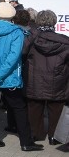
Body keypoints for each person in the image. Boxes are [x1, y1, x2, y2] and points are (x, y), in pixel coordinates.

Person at [0, 1, 41, 151]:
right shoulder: (17, 32)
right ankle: (26, 142)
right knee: (19, 108)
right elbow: (13, 56)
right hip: (8, 77)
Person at [22, 10, 69, 145]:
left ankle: (36, 134)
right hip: (58, 80)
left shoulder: (31, 38)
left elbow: (22, 54)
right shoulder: (65, 41)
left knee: (35, 108)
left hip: (35, 79)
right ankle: (54, 136)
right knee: (56, 110)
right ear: (54, 22)